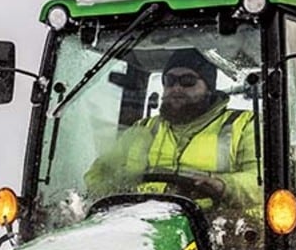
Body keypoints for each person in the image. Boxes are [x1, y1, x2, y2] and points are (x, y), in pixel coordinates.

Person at [85, 48, 260, 217]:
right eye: (170, 81)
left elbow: (263, 183)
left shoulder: (244, 126)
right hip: (142, 223)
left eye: (187, 81)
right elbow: (99, 175)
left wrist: (223, 185)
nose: (176, 88)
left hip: (214, 229)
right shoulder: (143, 129)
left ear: (209, 88)